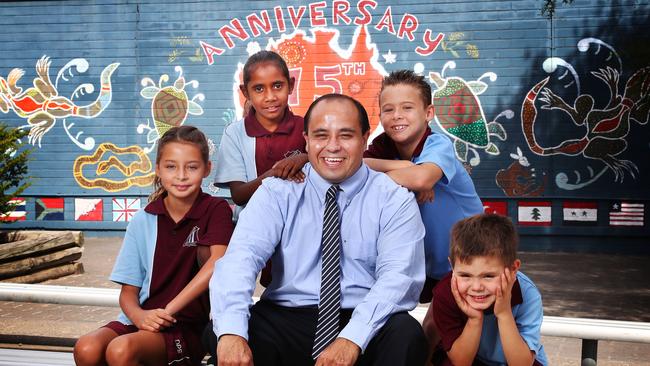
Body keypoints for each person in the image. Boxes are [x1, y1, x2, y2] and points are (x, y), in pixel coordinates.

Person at [205, 94, 428, 366]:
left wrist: (352, 339)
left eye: (346, 135)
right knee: (225, 332)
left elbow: (399, 278)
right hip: (288, 316)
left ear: (364, 138)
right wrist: (232, 334)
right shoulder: (278, 192)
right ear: (306, 140)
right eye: (321, 136)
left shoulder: (394, 199)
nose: (333, 147)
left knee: (406, 335)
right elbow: (242, 258)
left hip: (361, 314)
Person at [73, 126, 234, 366]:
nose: (181, 175)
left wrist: (168, 310)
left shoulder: (215, 210)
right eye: (171, 166)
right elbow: (128, 292)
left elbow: (217, 262)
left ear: (207, 169)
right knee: (86, 348)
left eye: (191, 167)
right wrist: (139, 317)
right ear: (158, 169)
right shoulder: (143, 219)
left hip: (184, 325)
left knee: (120, 351)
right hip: (142, 318)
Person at [364, 69, 484, 303]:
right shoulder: (382, 146)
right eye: (388, 109)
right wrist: (405, 167)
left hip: (472, 258)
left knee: (460, 331)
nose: (397, 115)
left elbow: (421, 179)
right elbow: (356, 168)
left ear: (428, 113)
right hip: (428, 265)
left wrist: (414, 176)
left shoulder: (437, 143)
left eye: (407, 108)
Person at [214, 49, 308, 287]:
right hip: (254, 225)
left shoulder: (307, 127)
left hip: (302, 224)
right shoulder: (235, 133)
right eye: (259, 89)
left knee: (291, 285)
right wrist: (273, 174)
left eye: (277, 86)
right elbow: (239, 194)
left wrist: (305, 157)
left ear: (291, 84)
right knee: (238, 278)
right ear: (245, 92)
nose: (270, 97)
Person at [425, 213, 548, 366]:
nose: (476, 287)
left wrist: (504, 313)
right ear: (452, 267)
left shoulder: (527, 294)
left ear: (513, 269)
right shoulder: (446, 292)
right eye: (465, 275)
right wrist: (474, 319)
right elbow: (461, 362)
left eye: (488, 276)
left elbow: (521, 364)